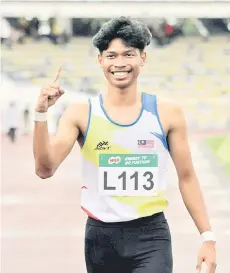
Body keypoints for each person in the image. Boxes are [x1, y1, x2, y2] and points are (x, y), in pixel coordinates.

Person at [33, 17, 217, 273]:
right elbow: (45, 169)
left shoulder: (167, 113)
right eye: (111, 55)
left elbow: (187, 178)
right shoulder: (80, 113)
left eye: (128, 54)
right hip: (100, 239)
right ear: (100, 61)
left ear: (143, 58)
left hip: (151, 236)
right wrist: (41, 114)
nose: (120, 63)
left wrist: (207, 236)